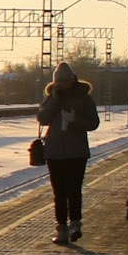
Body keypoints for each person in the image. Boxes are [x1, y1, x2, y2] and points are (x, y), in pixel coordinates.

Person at [35, 61, 99, 244]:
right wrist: (54, 99)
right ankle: (62, 227)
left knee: (74, 190)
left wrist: (75, 121)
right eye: (59, 80)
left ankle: (75, 223)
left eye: (65, 80)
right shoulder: (51, 97)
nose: (62, 83)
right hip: (54, 152)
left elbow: (93, 123)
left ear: (72, 79)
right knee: (59, 192)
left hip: (76, 152)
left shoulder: (83, 98)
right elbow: (42, 118)